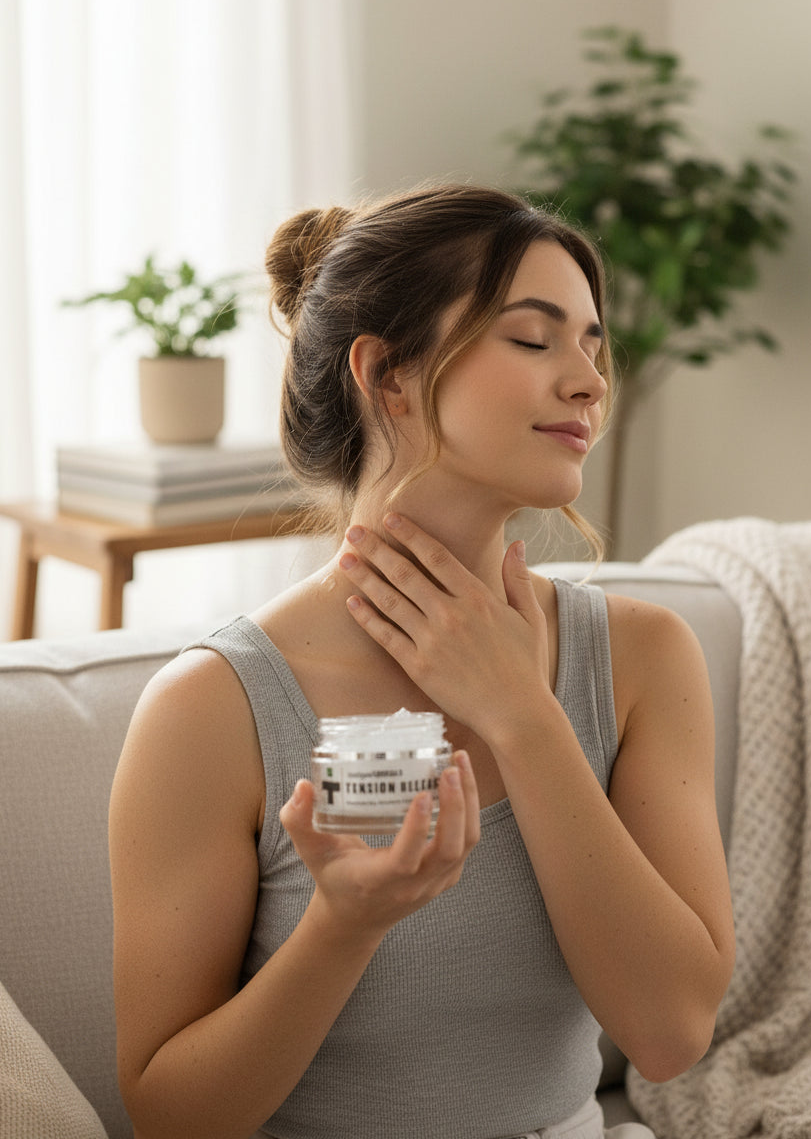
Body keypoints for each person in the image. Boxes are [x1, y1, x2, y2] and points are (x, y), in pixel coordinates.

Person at [109, 184, 735, 1139]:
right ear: (388, 376)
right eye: (533, 339)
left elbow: (673, 1034)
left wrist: (522, 716)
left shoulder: (644, 658)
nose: (589, 382)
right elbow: (170, 1118)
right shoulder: (214, 707)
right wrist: (344, 925)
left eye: (592, 344)